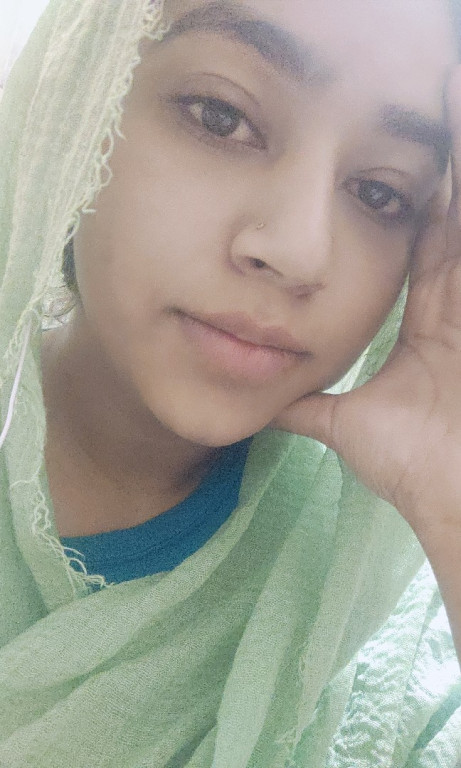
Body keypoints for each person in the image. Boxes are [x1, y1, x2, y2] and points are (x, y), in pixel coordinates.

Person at [0, 0, 460, 765]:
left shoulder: (377, 611)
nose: (298, 251)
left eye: (380, 193)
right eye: (220, 117)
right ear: (81, 88)